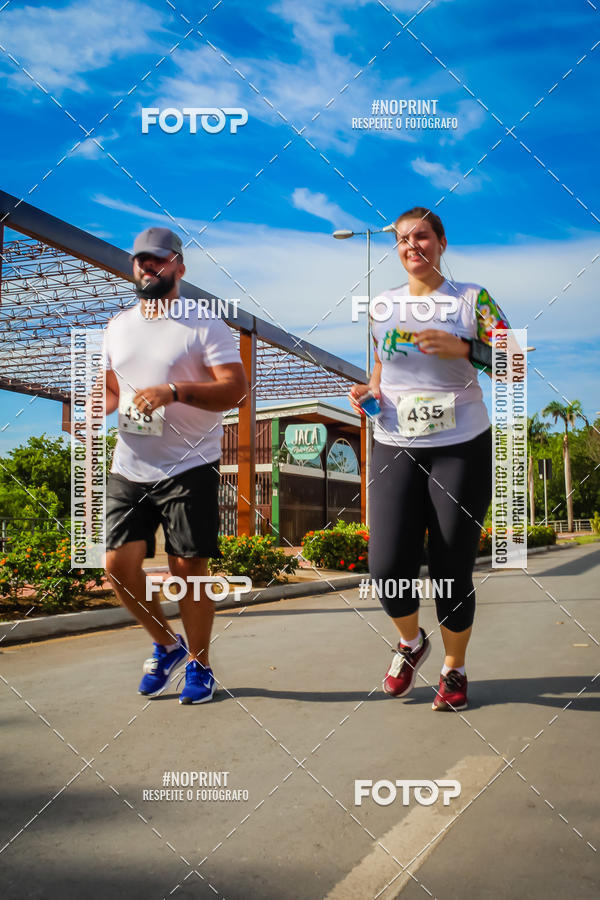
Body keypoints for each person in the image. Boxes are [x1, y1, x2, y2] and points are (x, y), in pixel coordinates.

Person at [349, 207, 510, 710]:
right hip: (395, 441)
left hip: (461, 445)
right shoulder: (381, 307)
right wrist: (369, 392)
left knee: (450, 566)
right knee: (386, 565)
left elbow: (514, 365)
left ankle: (453, 668)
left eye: (421, 236)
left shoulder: (473, 299)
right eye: (402, 239)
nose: (410, 245)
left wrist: (464, 348)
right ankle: (411, 642)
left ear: (441, 241)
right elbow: (381, 368)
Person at [103, 227, 247, 704]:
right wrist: (89, 408)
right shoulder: (117, 326)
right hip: (129, 463)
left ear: (179, 267)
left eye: (158, 259)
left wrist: (174, 391)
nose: (148, 266)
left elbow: (235, 389)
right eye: (141, 259)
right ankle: (168, 645)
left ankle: (201, 666)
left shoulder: (205, 324)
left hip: (190, 462)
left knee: (187, 567)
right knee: (117, 565)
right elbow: (111, 389)